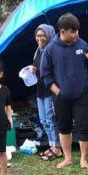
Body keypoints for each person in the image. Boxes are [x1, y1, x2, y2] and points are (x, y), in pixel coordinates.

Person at [40, 12, 88, 170]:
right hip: (61, 97)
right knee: (64, 127)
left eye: (77, 30)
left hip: (82, 94)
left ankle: (83, 159)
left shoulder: (82, 44)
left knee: (85, 126)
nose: (76, 34)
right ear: (62, 31)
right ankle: (68, 158)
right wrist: (57, 91)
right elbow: (45, 74)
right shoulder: (50, 49)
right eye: (73, 31)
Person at [31, 24, 62, 161]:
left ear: (49, 35)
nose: (39, 38)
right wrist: (33, 69)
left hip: (50, 89)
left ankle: (57, 148)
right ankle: (51, 145)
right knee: (43, 120)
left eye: (42, 35)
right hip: (40, 90)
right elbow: (39, 69)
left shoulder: (52, 50)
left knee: (50, 119)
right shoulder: (38, 51)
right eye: (37, 36)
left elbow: (55, 70)